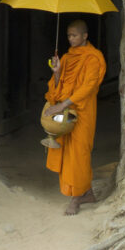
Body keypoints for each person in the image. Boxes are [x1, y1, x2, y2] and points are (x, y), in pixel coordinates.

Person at [44, 18, 105, 215]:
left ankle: (75, 198)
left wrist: (62, 104)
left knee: (79, 153)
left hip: (82, 111)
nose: (71, 39)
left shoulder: (93, 58)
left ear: (85, 36)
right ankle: (87, 192)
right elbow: (57, 87)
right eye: (69, 36)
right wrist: (56, 72)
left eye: (75, 35)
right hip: (66, 112)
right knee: (66, 148)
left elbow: (88, 88)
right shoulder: (68, 58)